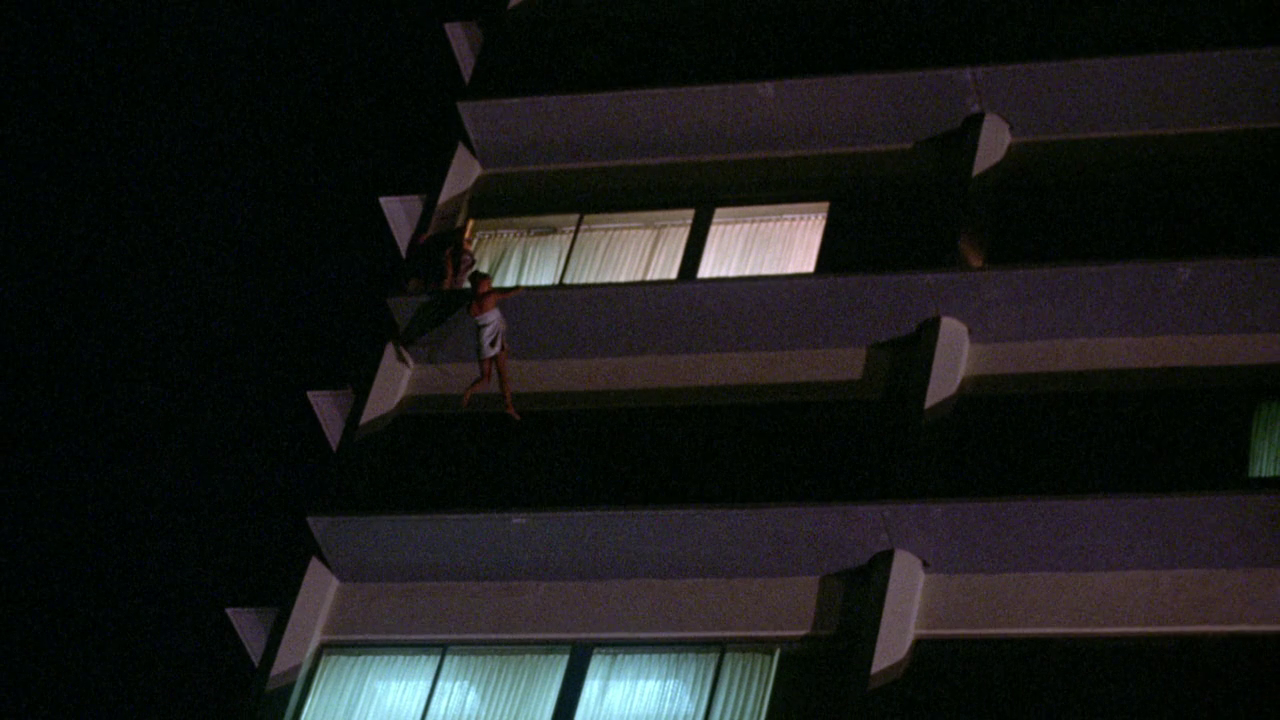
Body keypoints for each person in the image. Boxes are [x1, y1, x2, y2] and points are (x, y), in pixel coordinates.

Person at [461, 271, 523, 419]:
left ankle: (469, 391)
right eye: (488, 283)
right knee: (502, 375)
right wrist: (520, 288)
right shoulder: (491, 296)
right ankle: (508, 405)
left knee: (485, 378)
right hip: (496, 338)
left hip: (483, 338)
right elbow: (509, 293)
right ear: (481, 285)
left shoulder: (471, 305)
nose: (490, 285)